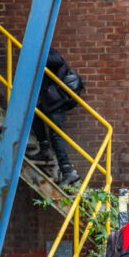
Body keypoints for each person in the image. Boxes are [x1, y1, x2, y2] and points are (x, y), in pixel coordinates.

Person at [29, 47, 81, 186]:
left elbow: (58, 60)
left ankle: (67, 171)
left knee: (56, 135)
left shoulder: (50, 53)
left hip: (56, 103)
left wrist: (39, 54)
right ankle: (45, 149)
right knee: (36, 115)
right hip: (50, 102)